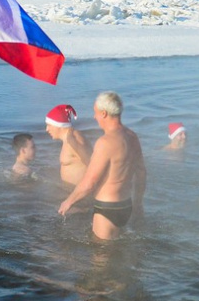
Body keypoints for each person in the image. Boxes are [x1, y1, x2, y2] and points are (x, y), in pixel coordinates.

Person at [58, 91, 146, 240]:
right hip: (126, 205)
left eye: (95, 112)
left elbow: (90, 182)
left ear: (104, 113)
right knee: (120, 253)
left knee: (101, 258)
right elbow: (141, 172)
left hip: (107, 208)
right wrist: (138, 203)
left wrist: (69, 201)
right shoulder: (132, 136)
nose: (94, 117)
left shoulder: (105, 142)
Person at [45, 104, 91, 185]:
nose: (47, 129)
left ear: (58, 125)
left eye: (49, 125)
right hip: (71, 190)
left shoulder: (73, 139)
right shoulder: (69, 138)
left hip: (80, 193)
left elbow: (92, 164)